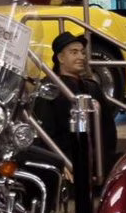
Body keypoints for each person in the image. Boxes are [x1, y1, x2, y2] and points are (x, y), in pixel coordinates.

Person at [31, 30, 117, 177]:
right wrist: (58, 162)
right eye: (74, 52)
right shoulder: (49, 88)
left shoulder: (92, 87)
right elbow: (44, 133)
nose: (81, 57)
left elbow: (108, 130)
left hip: (97, 163)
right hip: (67, 161)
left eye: (83, 53)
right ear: (60, 58)